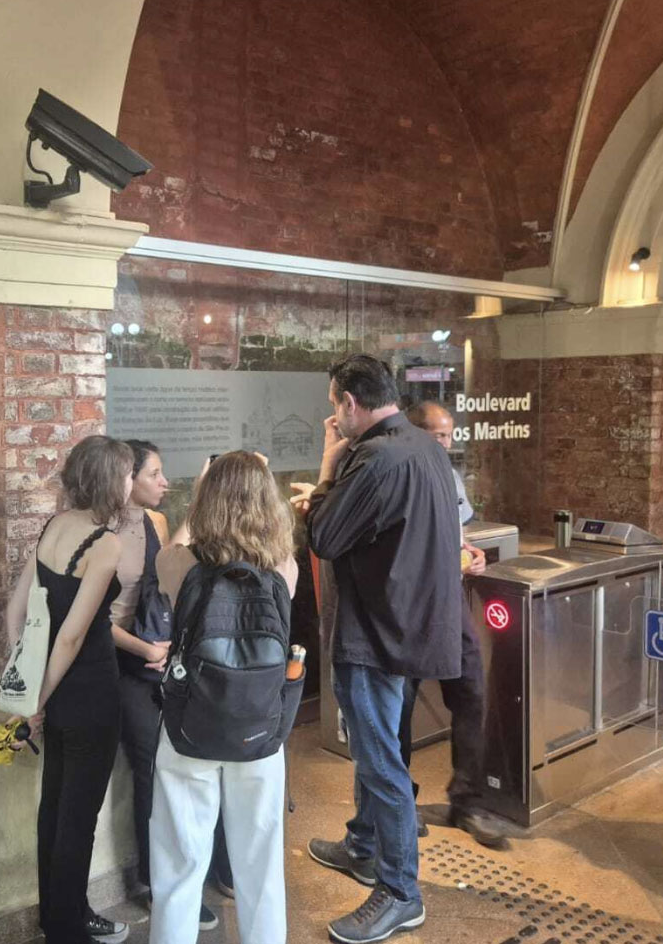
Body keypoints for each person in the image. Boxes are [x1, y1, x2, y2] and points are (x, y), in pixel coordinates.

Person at [289, 355, 462, 944]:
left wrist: (326, 470)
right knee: (380, 750)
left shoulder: (376, 458)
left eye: (334, 405)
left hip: (374, 634)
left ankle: (400, 892)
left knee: (380, 761)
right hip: (409, 626)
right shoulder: (425, 447)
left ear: (350, 403)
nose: (334, 418)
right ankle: (363, 844)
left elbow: (324, 537)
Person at [149, 451, 300, 944]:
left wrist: (201, 495)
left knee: (178, 862)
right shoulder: (283, 569)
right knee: (261, 863)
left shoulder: (179, 564)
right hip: (259, 730)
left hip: (190, 727)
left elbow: (172, 550)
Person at [4, 435, 134, 944]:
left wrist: (29, 688)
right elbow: (73, 636)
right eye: (128, 474)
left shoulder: (53, 526)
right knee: (77, 819)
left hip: (54, 691)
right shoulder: (105, 544)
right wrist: (35, 700)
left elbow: (15, 612)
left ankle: (61, 916)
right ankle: (66, 931)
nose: (130, 483)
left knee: (54, 808)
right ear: (111, 482)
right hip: (90, 693)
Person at [110, 441, 223, 932]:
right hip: (125, 666)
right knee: (150, 774)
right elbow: (94, 618)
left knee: (171, 774)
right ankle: (157, 883)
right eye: (153, 474)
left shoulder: (154, 522)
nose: (163, 482)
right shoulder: (106, 532)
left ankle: (180, 881)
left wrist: (201, 499)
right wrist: (144, 649)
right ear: (126, 479)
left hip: (161, 663)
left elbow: (170, 568)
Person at [400, 400, 507, 851]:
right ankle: (400, 803)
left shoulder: (450, 476)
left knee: (471, 693)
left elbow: (456, 532)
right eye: (438, 435)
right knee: (398, 707)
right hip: (407, 607)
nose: (446, 443)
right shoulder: (399, 474)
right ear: (415, 433)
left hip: (449, 602)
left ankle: (467, 801)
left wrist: (471, 553)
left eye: (449, 435)